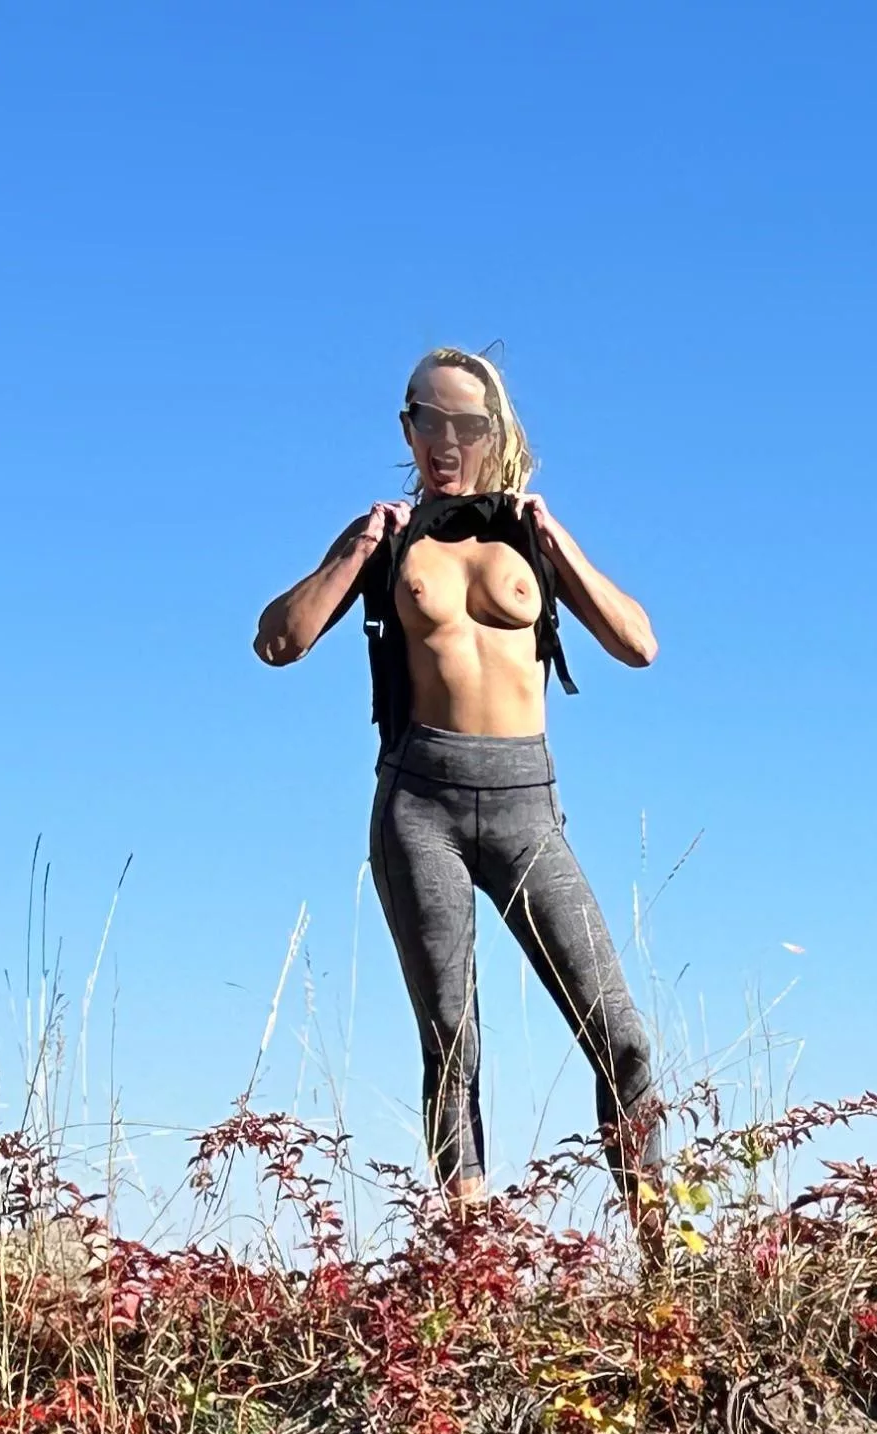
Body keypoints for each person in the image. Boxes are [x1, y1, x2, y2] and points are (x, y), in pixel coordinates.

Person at [254, 349, 664, 1232]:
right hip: (421, 806)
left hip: (526, 807)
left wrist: (557, 543)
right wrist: (360, 548)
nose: (447, 442)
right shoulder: (389, 537)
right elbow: (278, 642)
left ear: (495, 431)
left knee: (622, 1034)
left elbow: (639, 645)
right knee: (452, 1039)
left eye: (466, 425)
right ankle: (472, 1261)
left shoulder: (530, 537)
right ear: (406, 429)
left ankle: (666, 1250)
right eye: (428, 421)